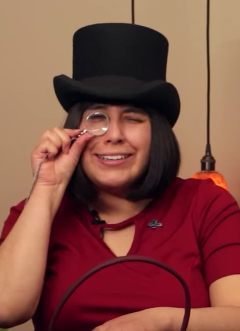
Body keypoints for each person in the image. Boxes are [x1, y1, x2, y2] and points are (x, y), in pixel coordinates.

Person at [0, 23, 240, 331]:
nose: (114, 135)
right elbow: (6, 309)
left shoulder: (206, 203)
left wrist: (159, 321)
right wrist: (47, 187)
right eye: (97, 118)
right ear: (74, 131)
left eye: (132, 118)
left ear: (158, 134)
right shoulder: (34, 212)